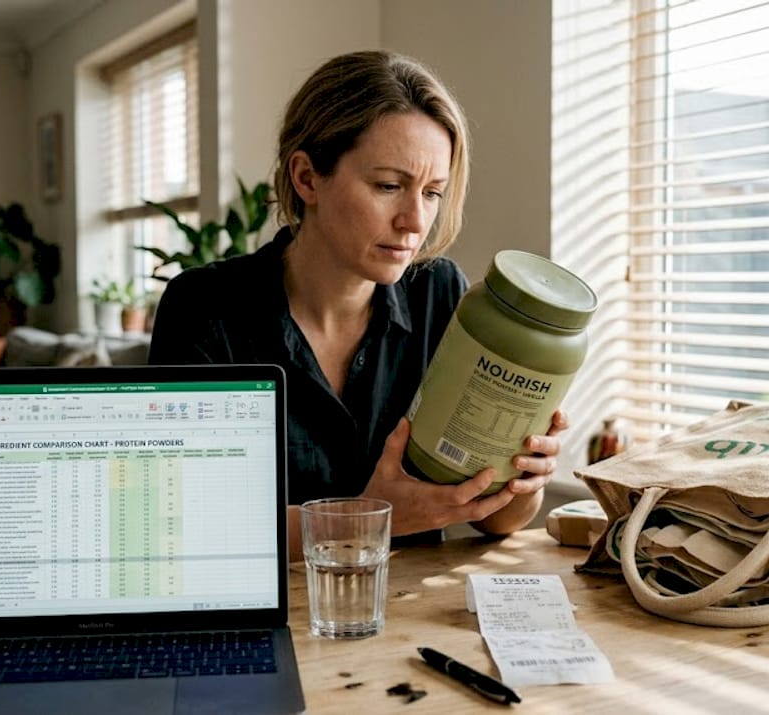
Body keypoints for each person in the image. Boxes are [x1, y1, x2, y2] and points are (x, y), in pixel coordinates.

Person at [148, 50, 567, 559]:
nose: (415, 221)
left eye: (433, 193)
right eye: (389, 186)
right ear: (306, 178)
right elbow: (183, 524)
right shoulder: (205, 308)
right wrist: (368, 516)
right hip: (268, 622)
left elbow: (498, 522)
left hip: (407, 621)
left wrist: (524, 478)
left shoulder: (441, 295)